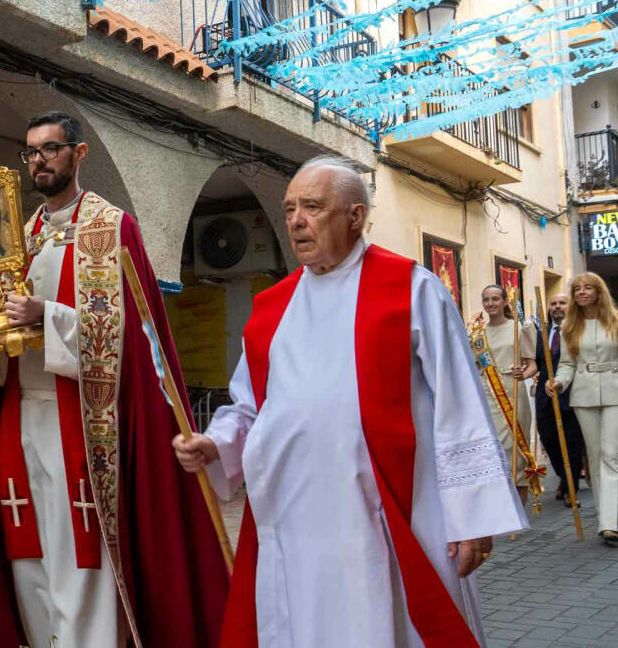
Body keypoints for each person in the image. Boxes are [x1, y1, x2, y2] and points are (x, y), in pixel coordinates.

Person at [173, 156, 526, 646]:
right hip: (296, 518)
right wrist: (216, 443)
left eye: (313, 207)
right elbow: (252, 406)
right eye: (290, 207)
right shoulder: (272, 307)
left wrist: (472, 517)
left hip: (390, 509)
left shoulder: (410, 288)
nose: (295, 220)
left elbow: (459, 403)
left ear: (356, 217)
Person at [0, 111, 228, 647]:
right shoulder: (20, 239)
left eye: (50, 149)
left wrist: (49, 316)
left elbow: (129, 338)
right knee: (29, 556)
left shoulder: (110, 228)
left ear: (79, 154)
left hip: (83, 421)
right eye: (31, 152)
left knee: (79, 557)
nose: (38, 161)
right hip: (18, 417)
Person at [548, 272, 618, 544]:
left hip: (615, 391)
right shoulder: (570, 326)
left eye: (588, 288)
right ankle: (606, 519)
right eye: (577, 289)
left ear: (599, 291)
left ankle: (611, 521)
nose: (582, 292)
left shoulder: (614, 319)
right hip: (584, 394)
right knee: (595, 454)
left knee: (611, 455)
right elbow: (567, 364)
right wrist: (559, 382)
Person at [475, 284, 537, 504]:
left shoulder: (519, 328)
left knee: (514, 447)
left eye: (495, 299)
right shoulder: (477, 333)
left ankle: (519, 503)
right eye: (486, 300)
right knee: (494, 447)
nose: (490, 303)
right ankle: (500, 503)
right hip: (487, 392)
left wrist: (524, 374)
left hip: (513, 390)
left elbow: (532, 364)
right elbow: (473, 366)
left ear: (504, 302)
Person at [533, 292, 587, 506]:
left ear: (570, 306)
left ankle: (569, 489)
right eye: (553, 303)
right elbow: (535, 363)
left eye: (562, 303)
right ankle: (565, 479)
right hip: (545, 397)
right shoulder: (541, 333)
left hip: (572, 394)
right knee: (549, 440)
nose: (557, 307)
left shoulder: (579, 330)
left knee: (572, 444)